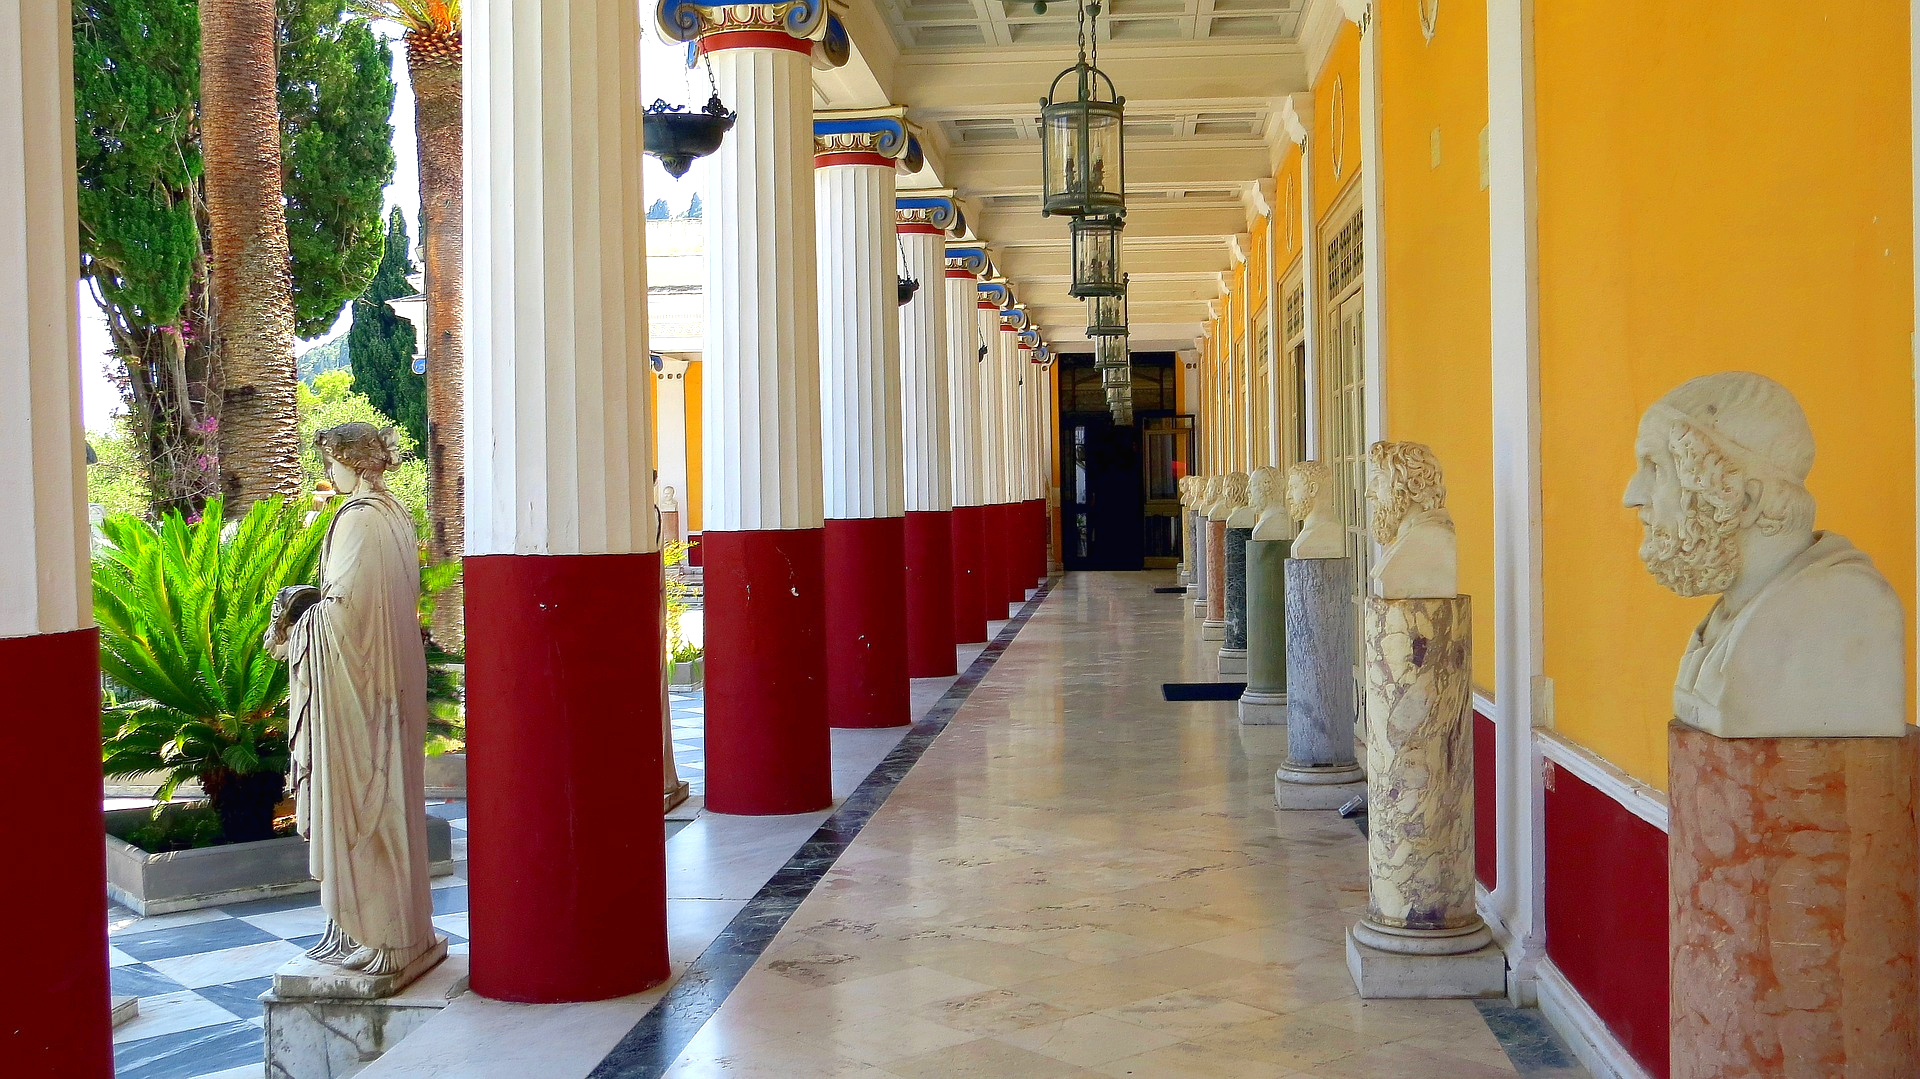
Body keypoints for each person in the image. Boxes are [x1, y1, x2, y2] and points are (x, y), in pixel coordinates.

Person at [268, 422, 437, 977]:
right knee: (386, 804)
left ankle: (383, 933)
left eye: (333, 462)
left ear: (356, 462)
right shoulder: (394, 513)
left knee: (369, 805)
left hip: (361, 692)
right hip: (382, 681)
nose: (328, 473)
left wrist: (295, 617)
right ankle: (379, 930)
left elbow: (347, 612)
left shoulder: (361, 519)